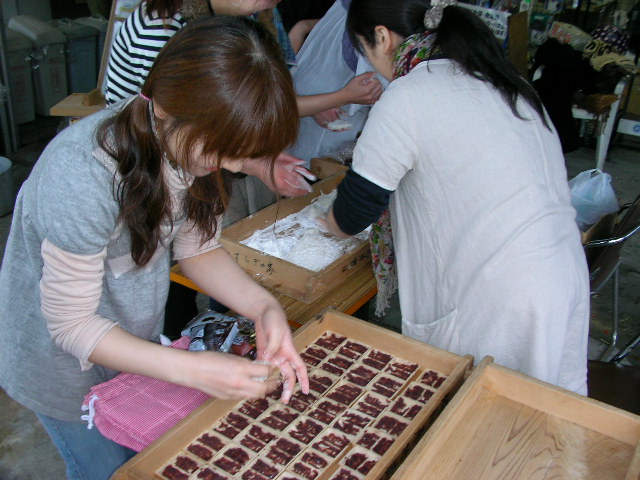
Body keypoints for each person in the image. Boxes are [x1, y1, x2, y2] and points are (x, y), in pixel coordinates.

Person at [0, 17, 309, 480]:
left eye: (236, 153)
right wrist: (192, 369)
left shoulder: (190, 143)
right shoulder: (81, 175)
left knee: (144, 460)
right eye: (222, 151)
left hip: (131, 344)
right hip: (61, 368)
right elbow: (73, 325)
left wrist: (264, 308)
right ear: (166, 107)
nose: (224, 165)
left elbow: (198, 250)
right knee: (105, 468)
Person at [322, 0, 590, 394]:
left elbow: (351, 215)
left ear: (381, 37)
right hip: (560, 282)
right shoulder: (507, 83)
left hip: (496, 298)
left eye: (364, 51)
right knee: (538, 423)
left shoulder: (408, 95)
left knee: (477, 427)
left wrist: (321, 222)